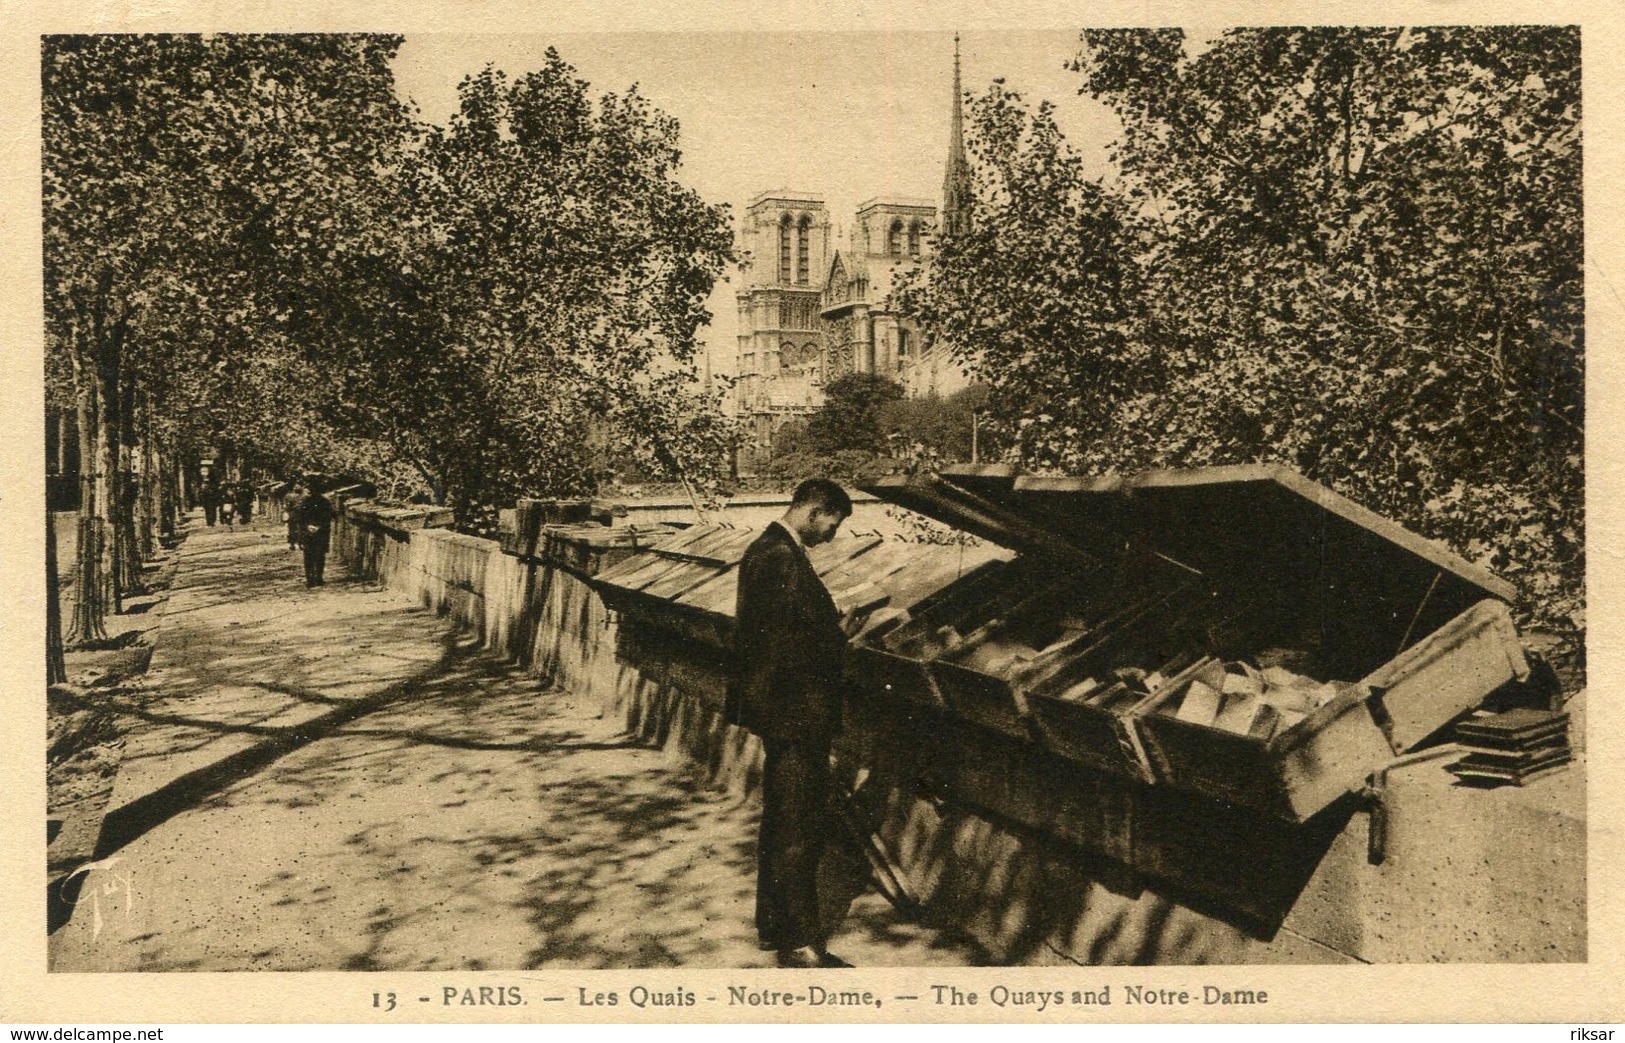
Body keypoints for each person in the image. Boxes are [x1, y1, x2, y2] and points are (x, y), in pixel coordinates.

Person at [726, 478, 855, 968]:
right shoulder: (781, 557)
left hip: (782, 713)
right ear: (814, 511)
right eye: (832, 524)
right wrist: (840, 632)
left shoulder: (768, 550)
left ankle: (775, 928)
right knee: (798, 828)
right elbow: (791, 645)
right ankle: (800, 943)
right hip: (797, 714)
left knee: (783, 822)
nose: (832, 535)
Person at [296, 479, 335, 587]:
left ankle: (314, 578)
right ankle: (314, 578)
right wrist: (313, 526)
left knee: (314, 556)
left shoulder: (312, 502)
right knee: (315, 555)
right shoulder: (323, 502)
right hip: (316, 531)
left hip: (316, 532)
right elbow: (300, 518)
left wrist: (312, 527)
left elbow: (328, 516)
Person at [283, 481, 304, 551]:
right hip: (301, 515)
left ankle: (292, 545)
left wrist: (286, 512)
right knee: (301, 529)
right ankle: (300, 544)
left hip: (292, 515)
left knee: (292, 530)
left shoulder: (288, 496)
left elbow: (286, 507)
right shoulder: (304, 496)